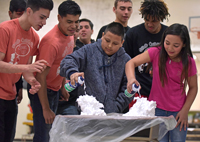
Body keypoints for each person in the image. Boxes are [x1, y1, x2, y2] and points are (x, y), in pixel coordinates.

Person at [125, 23, 198, 142]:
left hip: (178, 113)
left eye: (176, 45)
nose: (170, 48)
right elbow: (130, 63)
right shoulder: (156, 53)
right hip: (157, 110)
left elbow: (193, 87)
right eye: (167, 43)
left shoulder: (188, 62)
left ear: (184, 44)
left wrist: (185, 110)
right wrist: (131, 79)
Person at [27, 1, 81, 142]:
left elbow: (64, 63)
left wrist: (62, 86)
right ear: (59, 18)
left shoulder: (70, 36)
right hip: (42, 90)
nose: (74, 26)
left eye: (76, 22)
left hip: (55, 90)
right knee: (43, 135)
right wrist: (45, 108)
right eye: (69, 21)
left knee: (51, 134)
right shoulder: (51, 42)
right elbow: (40, 77)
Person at [0, 0, 53, 141]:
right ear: (28, 11)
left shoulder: (34, 37)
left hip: (10, 96)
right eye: (41, 17)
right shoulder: (5, 29)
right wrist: (26, 68)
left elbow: (26, 68)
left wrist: (32, 80)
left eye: (46, 18)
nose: (44, 22)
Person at [60, 22, 133, 113]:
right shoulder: (88, 50)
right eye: (107, 40)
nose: (110, 46)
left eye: (115, 43)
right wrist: (72, 72)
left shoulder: (126, 60)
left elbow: (129, 88)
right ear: (102, 35)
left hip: (112, 115)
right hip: (86, 111)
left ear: (122, 43)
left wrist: (116, 106)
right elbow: (67, 61)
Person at [123, 0, 170, 108]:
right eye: (146, 19)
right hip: (139, 90)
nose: (149, 24)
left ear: (161, 18)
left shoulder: (168, 34)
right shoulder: (133, 34)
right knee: (139, 124)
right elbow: (126, 62)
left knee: (159, 124)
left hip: (162, 91)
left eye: (154, 21)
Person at [57, 26, 81, 115]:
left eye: (76, 31)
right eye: (72, 30)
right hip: (54, 96)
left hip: (71, 101)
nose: (74, 33)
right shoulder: (57, 48)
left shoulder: (81, 53)